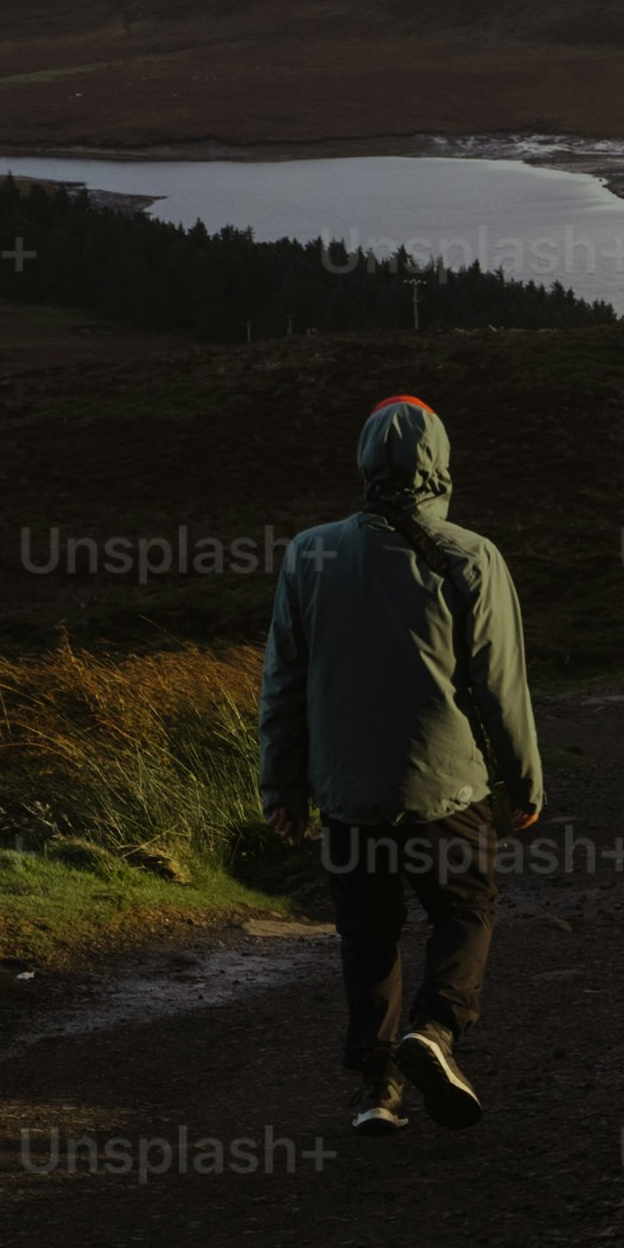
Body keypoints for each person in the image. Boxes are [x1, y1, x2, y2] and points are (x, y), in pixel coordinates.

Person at [256, 393, 543, 1135]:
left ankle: (378, 1089)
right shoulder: (472, 557)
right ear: (440, 464)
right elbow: (500, 687)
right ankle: (436, 1032)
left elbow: (283, 681)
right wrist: (525, 782)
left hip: (346, 797)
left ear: (363, 462)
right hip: (447, 791)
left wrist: (282, 785)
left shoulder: (308, 553)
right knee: (465, 909)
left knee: (367, 932)